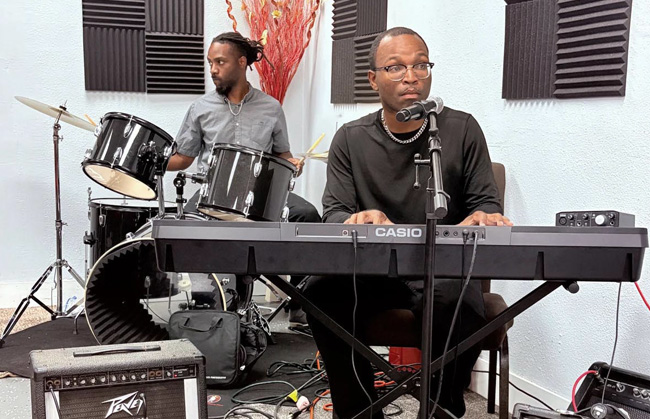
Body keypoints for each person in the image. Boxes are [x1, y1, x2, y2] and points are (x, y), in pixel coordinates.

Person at [302, 27, 512, 418]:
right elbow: (334, 213)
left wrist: (483, 216)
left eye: (420, 65)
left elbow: (485, 202)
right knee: (318, 292)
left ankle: (441, 409)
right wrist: (355, 218)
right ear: (373, 78)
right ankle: (360, 412)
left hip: (443, 270)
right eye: (396, 67)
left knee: (457, 301)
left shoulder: (461, 129)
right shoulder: (350, 139)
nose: (411, 77)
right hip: (374, 271)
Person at [167, 32, 321, 328]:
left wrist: (293, 164)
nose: (213, 69)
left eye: (220, 62)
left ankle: (300, 302)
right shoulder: (200, 108)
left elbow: (283, 155)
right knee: (186, 225)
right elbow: (183, 158)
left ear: (241, 62)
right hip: (212, 191)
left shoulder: (271, 107)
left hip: (260, 194)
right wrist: (153, 159)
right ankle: (207, 303)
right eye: (210, 63)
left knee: (308, 215)